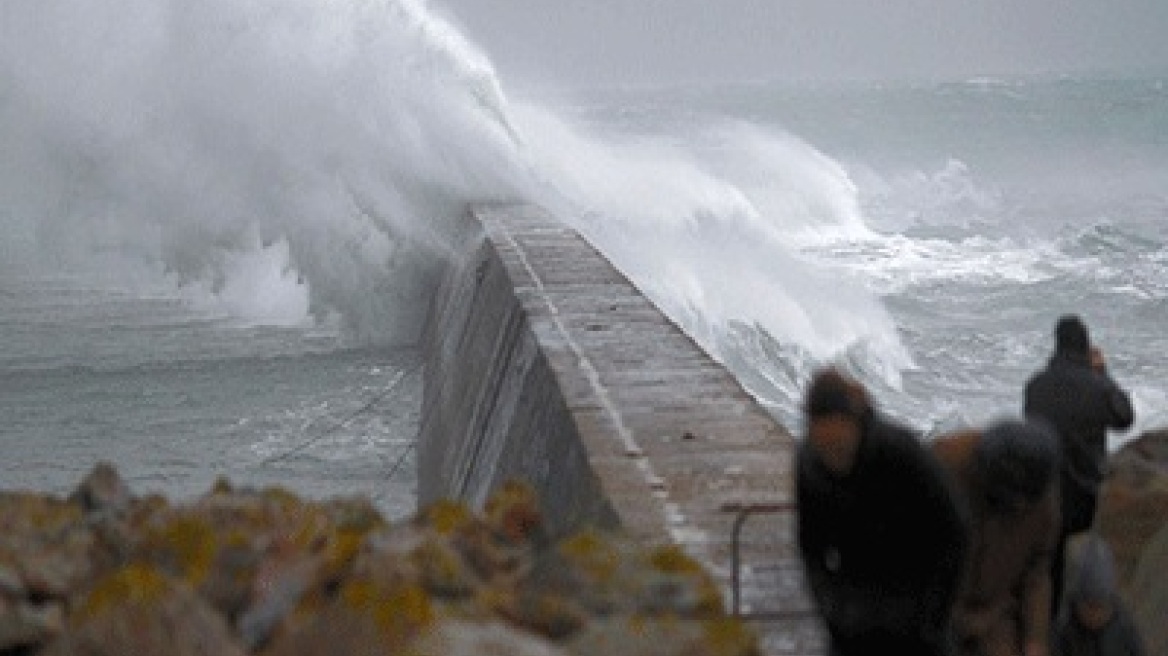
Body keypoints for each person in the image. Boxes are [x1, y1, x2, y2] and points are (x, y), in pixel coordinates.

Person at [796, 367, 969, 656]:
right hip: (853, 615)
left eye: (839, 447)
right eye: (823, 447)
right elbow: (810, 545)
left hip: (915, 608)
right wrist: (831, 610)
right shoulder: (810, 465)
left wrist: (935, 614)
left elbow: (954, 530)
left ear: (854, 424)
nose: (833, 459)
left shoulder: (901, 453)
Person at [1024, 315, 1135, 616]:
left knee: (1051, 576)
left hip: (1046, 497)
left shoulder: (1035, 387)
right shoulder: (1095, 386)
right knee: (1089, 577)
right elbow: (1124, 417)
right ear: (1085, 347)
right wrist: (1102, 374)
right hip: (1087, 498)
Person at [932, 419, 1061, 656]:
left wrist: (1035, 640)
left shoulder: (1041, 500)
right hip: (933, 611)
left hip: (994, 612)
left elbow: (1038, 573)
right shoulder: (943, 470)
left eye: (1023, 503)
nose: (1018, 508)